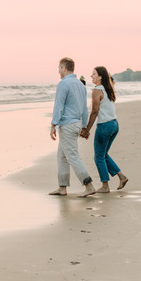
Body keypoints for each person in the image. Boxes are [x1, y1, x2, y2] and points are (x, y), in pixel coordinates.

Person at [49, 57, 97, 198]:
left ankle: (88, 185)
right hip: (76, 124)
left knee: (72, 156)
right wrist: (84, 126)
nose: (58, 71)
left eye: (59, 68)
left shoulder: (63, 84)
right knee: (62, 156)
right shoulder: (80, 85)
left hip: (67, 125)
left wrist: (53, 125)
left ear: (64, 68)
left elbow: (59, 106)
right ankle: (62, 187)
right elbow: (84, 108)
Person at [81, 66, 128, 193]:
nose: (91, 76)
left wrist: (86, 129)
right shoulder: (109, 89)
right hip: (114, 124)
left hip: (105, 126)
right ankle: (121, 177)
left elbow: (94, 112)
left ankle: (105, 186)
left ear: (100, 76)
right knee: (103, 154)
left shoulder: (97, 90)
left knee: (98, 157)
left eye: (94, 74)